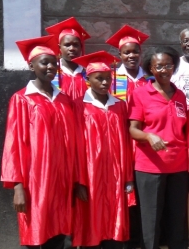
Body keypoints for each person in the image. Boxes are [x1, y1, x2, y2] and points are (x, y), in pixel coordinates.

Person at [1, 35, 79, 248]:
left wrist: (74, 179)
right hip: (35, 181)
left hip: (62, 181)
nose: (51, 67)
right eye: (44, 62)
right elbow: (13, 144)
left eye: (54, 62)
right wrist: (18, 187)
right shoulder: (22, 99)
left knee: (61, 235)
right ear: (31, 65)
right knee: (36, 233)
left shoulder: (64, 100)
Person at [70, 51, 134, 249]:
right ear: (88, 79)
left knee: (115, 222)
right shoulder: (78, 106)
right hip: (90, 175)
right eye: (99, 78)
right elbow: (75, 146)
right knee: (91, 222)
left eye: (108, 78)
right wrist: (79, 180)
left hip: (116, 175)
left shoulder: (120, 105)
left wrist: (128, 177)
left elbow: (126, 142)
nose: (105, 83)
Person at [129, 46, 189, 249]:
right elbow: (133, 129)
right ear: (151, 69)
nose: (164, 70)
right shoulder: (140, 94)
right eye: (159, 66)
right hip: (150, 168)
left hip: (179, 166)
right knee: (151, 221)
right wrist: (148, 136)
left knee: (177, 220)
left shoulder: (180, 95)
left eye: (168, 65)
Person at [45, 17, 91, 102]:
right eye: (67, 45)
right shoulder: (52, 72)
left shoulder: (88, 73)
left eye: (76, 45)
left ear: (81, 47)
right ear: (59, 48)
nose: (72, 48)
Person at [106, 24, 151, 103]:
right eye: (127, 53)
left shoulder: (149, 77)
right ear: (120, 55)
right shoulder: (113, 78)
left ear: (140, 52)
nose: (132, 56)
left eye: (135, 52)